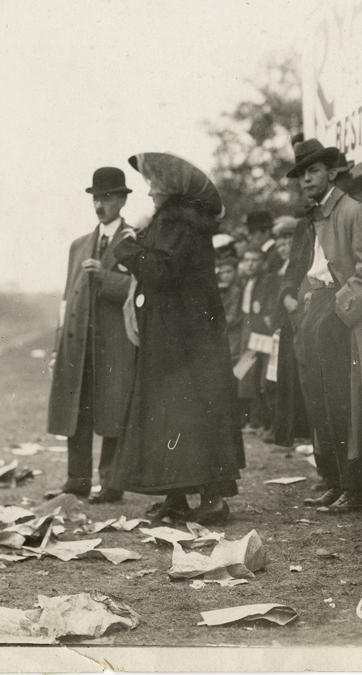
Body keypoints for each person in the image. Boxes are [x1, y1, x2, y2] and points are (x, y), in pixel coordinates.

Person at [105, 152, 244, 526]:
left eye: (153, 184)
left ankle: (209, 499)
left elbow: (161, 270)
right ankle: (179, 495)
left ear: (171, 188)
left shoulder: (179, 223)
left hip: (184, 337)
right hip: (181, 334)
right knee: (178, 413)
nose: (149, 192)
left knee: (187, 411)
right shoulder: (176, 222)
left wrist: (127, 247)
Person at [285, 134, 362, 513]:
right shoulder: (316, 216)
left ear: (331, 172)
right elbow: (313, 270)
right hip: (317, 310)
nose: (307, 180)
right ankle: (333, 481)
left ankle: (355, 488)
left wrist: (336, 310)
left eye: (313, 171)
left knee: (344, 403)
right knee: (319, 401)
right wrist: (302, 308)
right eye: (302, 175)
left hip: (341, 315)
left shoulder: (352, 212)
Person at [46, 167, 137, 504]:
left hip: (116, 343)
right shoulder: (80, 245)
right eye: (97, 198)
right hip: (78, 344)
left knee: (113, 410)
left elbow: (141, 291)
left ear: (123, 199)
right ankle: (77, 480)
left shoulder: (135, 240)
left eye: (109, 197)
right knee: (75, 409)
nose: (101, 204)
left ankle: (112, 483)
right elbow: (68, 297)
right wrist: (59, 343)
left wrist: (106, 278)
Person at [270, 216, 310, 447]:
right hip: (284, 324)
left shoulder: (299, 262)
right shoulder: (280, 269)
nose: (285, 248)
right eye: (280, 244)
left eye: (288, 242)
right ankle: (289, 429)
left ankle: (300, 428)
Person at [236, 245, 278, 442]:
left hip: (260, 335)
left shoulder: (268, 281)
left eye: (254, 260)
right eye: (247, 260)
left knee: (261, 377)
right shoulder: (246, 281)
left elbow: (266, 310)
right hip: (248, 331)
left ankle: (266, 422)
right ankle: (252, 420)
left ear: (264, 263)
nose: (250, 264)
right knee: (244, 374)